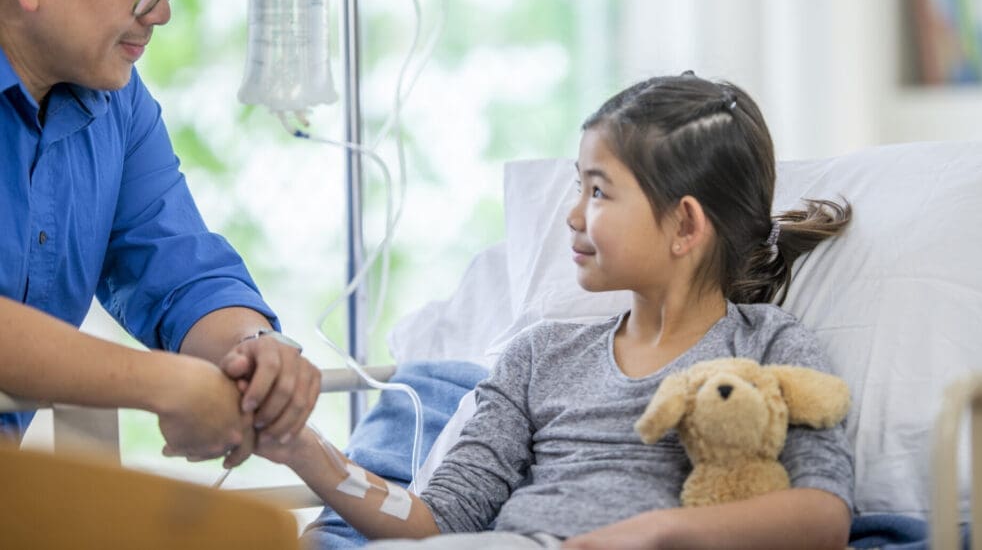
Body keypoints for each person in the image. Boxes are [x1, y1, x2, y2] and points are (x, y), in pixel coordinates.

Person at [257, 72, 855, 549]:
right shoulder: (538, 355)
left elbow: (824, 516)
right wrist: (302, 448)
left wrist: (659, 533)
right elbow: (436, 523)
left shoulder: (767, 346)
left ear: (685, 224)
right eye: (578, 187)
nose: (572, 216)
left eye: (598, 191)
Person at [0, 0, 320, 467]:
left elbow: (177, 269)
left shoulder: (114, 103)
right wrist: (163, 383)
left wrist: (255, 350)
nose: (162, 12)